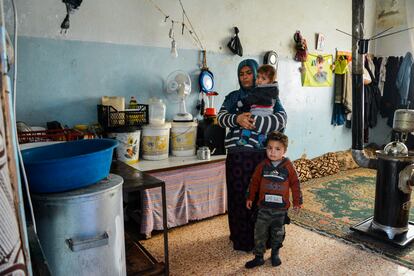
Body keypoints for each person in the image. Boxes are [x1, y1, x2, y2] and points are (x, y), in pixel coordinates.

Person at [217, 59, 287, 252]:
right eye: (242, 73)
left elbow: (282, 120)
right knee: (239, 197)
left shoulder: (271, 95)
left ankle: (263, 241)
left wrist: (257, 122)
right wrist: (237, 119)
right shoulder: (233, 97)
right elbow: (220, 118)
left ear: (257, 74)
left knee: (262, 199)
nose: (245, 77)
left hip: (263, 156)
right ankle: (242, 240)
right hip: (238, 157)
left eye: (249, 73)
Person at [245, 131, 302, 268]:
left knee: (278, 233)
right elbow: (254, 182)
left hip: (280, 210)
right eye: (269, 148)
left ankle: (275, 253)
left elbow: (295, 184)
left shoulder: (288, 166)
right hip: (263, 208)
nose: (272, 152)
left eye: (277, 149)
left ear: (284, 150)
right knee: (259, 233)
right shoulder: (262, 166)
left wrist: (297, 202)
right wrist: (250, 197)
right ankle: (258, 256)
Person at [236, 64, 279, 147]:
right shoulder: (273, 91)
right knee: (262, 132)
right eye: (258, 77)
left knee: (247, 125)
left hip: (258, 112)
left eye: (263, 79)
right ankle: (262, 143)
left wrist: (241, 103)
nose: (259, 80)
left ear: (270, 81)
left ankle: (244, 139)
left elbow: (251, 99)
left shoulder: (260, 90)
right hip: (267, 113)